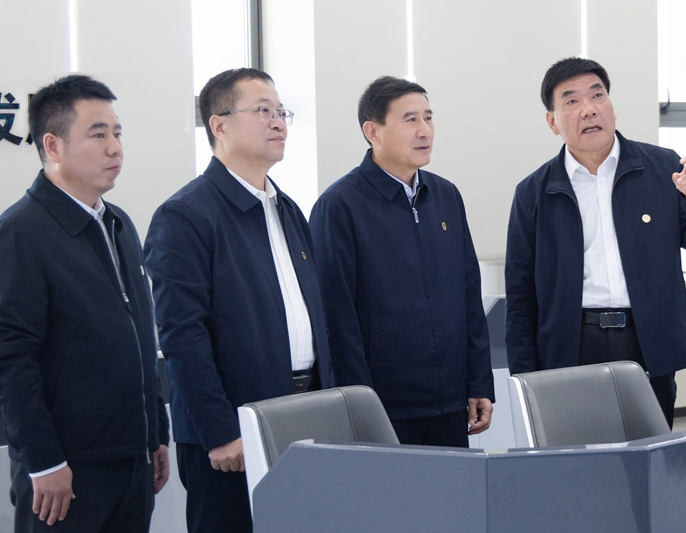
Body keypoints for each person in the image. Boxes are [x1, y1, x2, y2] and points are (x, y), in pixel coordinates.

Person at [144, 68, 334, 533]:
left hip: (302, 412)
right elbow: (182, 337)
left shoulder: (287, 209)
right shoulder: (185, 215)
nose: (279, 122)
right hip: (233, 431)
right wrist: (221, 430)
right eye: (263, 111)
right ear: (219, 125)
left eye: (282, 111)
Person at [505, 57, 686, 427]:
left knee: (649, 450)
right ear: (552, 122)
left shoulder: (664, 168)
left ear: (611, 106)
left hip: (646, 340)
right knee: (579, 452)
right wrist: (524, 377)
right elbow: (521, 295)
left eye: (598, 95)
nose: (589, 109)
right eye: (572, 101)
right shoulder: (533, 192)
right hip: (572, 344)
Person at [0, 74, 170, 533]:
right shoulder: (19, 234)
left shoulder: (118, 224)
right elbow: (12, 360)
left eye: (117, 134)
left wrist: (156, 433)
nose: (115, 148)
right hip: (66, 471)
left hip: (132, 459)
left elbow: (141, 334)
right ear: (52, 146)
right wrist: (44, 461)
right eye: (98, 135)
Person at [309, 76, 494, 448]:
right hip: (385, 407)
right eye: (410, 120)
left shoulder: (446, 196)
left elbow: (468, 297)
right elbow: (336, 318)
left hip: (449, 402)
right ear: (372, 131)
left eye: (428, 117)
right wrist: (359, 405)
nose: (425, 130)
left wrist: (479, 382)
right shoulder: (340, 206)